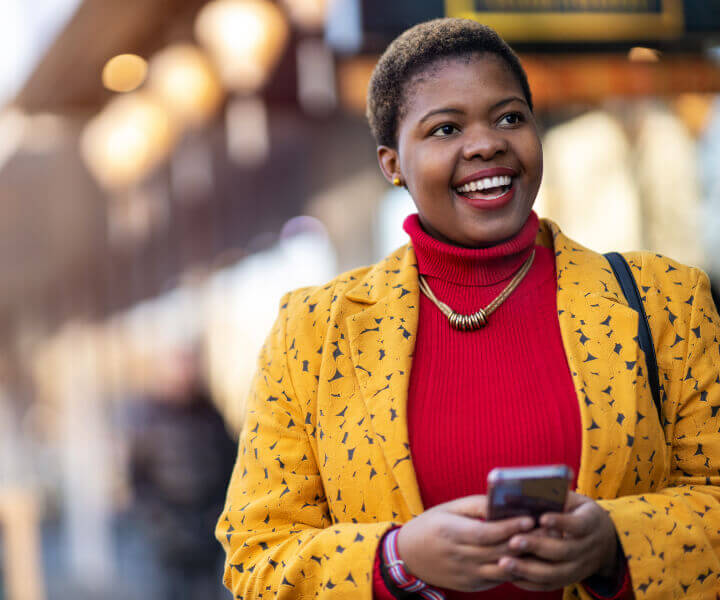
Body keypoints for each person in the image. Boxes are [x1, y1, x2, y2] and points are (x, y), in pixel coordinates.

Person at [216, 18, 720, 599]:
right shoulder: (311, 333)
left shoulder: (665, 302)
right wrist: (395, 561)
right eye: (445, 128)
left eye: (510, 117)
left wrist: (614, 543)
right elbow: (257, 554)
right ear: (392, 164)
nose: (486, 143)